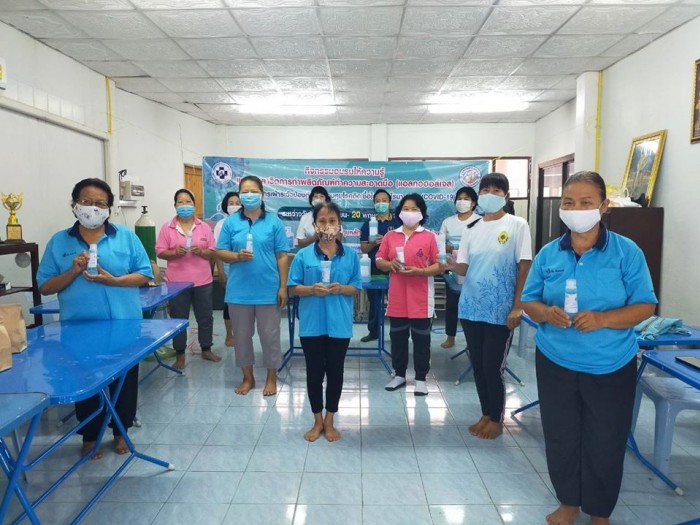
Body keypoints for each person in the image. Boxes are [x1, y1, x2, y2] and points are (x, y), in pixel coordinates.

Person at [521, 171, 656, 525]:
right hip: (556, 360)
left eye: (585, 202)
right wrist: (546, 313)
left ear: (603, 206)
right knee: (561, 435)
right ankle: (568, 503)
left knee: (605, 439)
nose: (576, 209)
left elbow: (646, 305)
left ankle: (599, 512)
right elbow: (529, 300)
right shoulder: (550, 254)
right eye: (569, 202)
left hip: (610, 363)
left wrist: (603, 319)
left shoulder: (626, 252)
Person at [37, 178, 153, 459]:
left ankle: (121, 431)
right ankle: (90, 435)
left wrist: (115, 281)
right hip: (79, 327)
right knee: (85, 381)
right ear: (74, 205)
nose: (93, 208)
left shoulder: (126, 237)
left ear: (109, 208)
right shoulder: (59, 241)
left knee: (124, 381)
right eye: (86, 202)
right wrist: (72, 272)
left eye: (100, 203)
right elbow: (45, 286)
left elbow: (145, 274)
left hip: (124, 324)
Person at [451, 172, 532, 439]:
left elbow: (524, 266)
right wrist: (448, 264)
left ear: (506, 196)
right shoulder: (471, 228)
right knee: (478, 365)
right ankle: (486, 413)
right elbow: (463, 267)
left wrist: (518, 306)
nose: (490, 194)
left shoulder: (517, 225)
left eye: (497, 191)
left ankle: (496, 419)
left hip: (500, 309)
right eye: (485, 190)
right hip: (471, 306)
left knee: (492, 366)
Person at [288, 202, 361, 442]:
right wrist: (311, 289)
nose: (327, 226)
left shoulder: (350, 256)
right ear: (314, 225)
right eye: (322, 221)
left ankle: (330, 420)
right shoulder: (303, 255)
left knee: (335, 373)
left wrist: (341, 288)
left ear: (339, 225)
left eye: (332, 221)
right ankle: (317, 420)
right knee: (314, 373)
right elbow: (293, 287)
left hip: (339, 325)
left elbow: (356, 287)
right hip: (312, 325)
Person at [216, 175, 289, 396]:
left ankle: (271, 378)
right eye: (245, 191)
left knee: (270, 336)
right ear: (239, 195)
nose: (249, 195)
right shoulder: (231, 223)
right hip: (239, 291)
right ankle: (247, 378)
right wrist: (236, 256)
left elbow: (282, 256)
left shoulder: (273, 222)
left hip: (268, 289)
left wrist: (283, 286)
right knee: (241, 337)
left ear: (262, 194)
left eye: (253, 191)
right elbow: (220, 252)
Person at [376, 193, 442, 396]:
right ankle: (399, 375)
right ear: (399, 212)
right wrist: (389, 264)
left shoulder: (430, 237)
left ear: (422, 213)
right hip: (397, 298)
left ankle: (421, 378)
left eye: (414, 209)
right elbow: (379, 260)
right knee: (397, 338)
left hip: (421, 298)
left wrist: (420, 272)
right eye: (406, 208)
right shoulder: (390, 236)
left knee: (422, 340)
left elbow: (440, 265)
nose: (410, 212)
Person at [155, 188, 220, 370]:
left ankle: (206, 349)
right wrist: (174, 253)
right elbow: (160, 251)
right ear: (175, 206)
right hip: (177, 283)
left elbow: (213, 251)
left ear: (194, 204)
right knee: (178, 318)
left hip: (202, 281)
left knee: (205, 317)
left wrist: (203, 252)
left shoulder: (204, 227)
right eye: (180, 202)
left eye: (188, 202)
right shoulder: (167, 227)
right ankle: (180, 354)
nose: (184, 206)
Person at [438, 186, 480, 349]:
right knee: (452, 304)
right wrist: (447, 248)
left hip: (474, 267)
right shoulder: (448, 222)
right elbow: (440, 243)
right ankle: (450, 337)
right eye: (459, 198)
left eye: (466, 199)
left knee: (473, 304)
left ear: (474, 203)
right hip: (453, 268)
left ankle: (473, 339)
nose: (462, 201)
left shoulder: (480, 221)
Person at [359, 189, 401, 342]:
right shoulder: (368, 224)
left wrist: (387, 242)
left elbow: (404, 245)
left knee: (396, 301)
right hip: (373, 267)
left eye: (384, 201)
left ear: (390, 203)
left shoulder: (398, 223)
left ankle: (396, 333)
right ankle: (374, 332)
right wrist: (372, 243)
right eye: (377, 201)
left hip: (394, 267)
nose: (381, 204)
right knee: (374, 301)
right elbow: (364, 249)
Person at [213, 191, 241, 347]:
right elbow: (218, 251)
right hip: (228, 268)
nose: (234, 206)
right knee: (229, 303)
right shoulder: (221, 224)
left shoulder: (247, 222)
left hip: (244, 268)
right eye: (231, 203)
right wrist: (221, 272)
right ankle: (229, 336)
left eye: (237, 203)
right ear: (225, 206)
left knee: (242, 304)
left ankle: (241, 334)